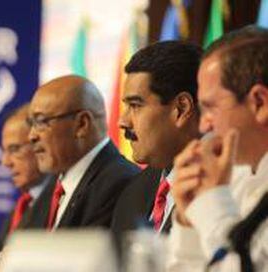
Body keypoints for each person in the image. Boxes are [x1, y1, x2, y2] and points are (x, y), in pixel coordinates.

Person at [168, 26, 268, 272]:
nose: (204, 125)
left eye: (210, 107)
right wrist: (188, 219)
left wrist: (211, 202)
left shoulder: (219, 189)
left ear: (260, 103)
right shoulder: (237, 176)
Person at [112, 41, 202, 234]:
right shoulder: (133, 191)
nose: (122, 122)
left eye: (135, 105)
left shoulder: (221, 187)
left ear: (181, 109)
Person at [27, 75, 140, 229]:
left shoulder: (119, 182)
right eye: (31, 123)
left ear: (82, 124)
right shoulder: (55, 182)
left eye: (41, 122)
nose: (32, 136)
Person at [0, 104, 54, 271]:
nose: (5, 162)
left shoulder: (59, 198)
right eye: (4, 151)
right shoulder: (24, 204)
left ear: (40, 144)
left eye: (15, 149)